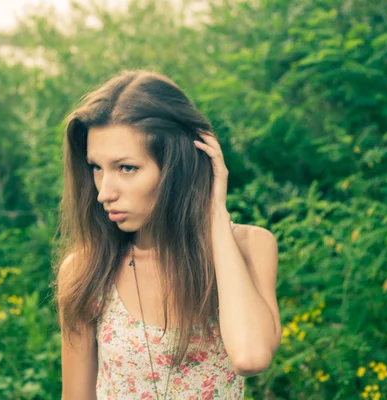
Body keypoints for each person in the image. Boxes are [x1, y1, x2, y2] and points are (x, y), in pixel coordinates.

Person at [52, 70, 281, 399]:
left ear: (178, 166)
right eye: (96, 168)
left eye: (126, 168)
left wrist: (214, 213)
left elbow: (250, 356)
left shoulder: (249, 247)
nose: (104, 192)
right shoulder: (87, 270)